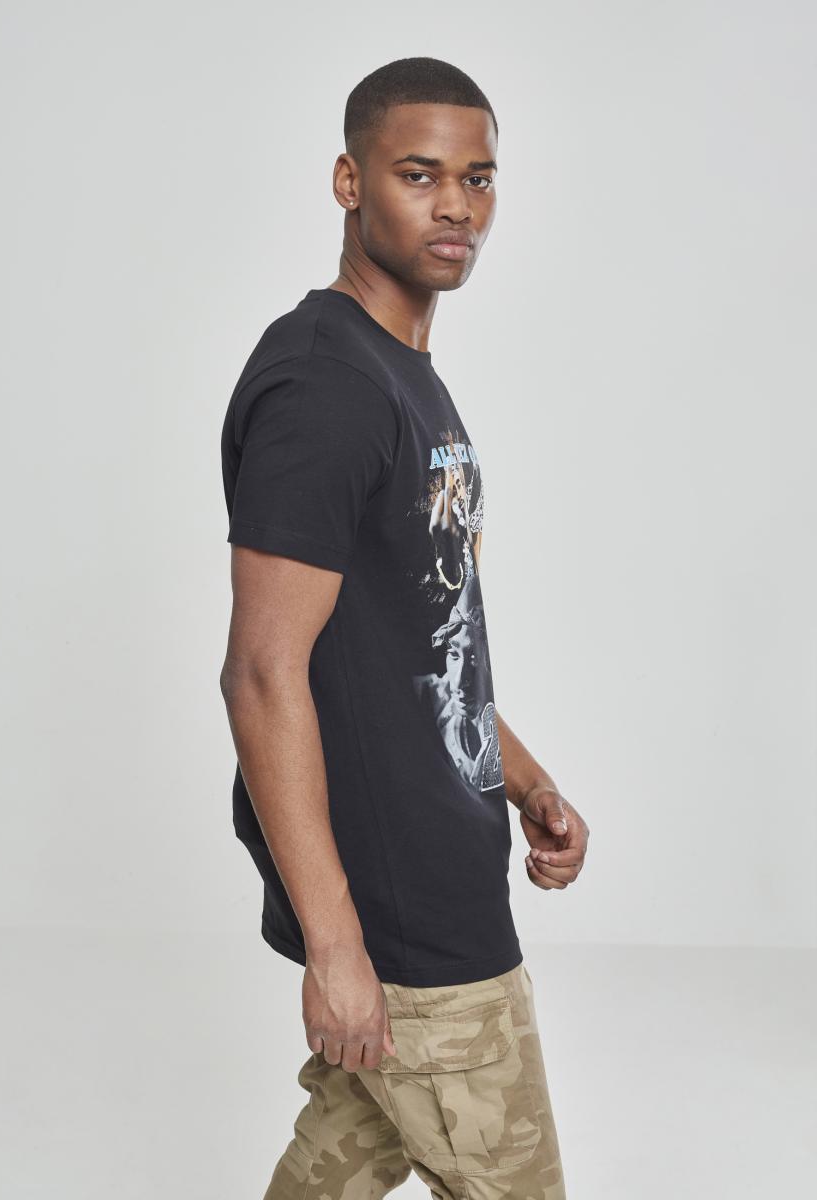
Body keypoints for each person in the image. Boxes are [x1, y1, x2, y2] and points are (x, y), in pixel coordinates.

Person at [219, 56, 590, 1200]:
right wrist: (337, 948)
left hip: (442, 867)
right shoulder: (326, 388)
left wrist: (525, 784)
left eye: (478, 179)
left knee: (330, 1174)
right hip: (404, 914)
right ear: (350, 182)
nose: (456, 206)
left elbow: (431, 642)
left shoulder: (405, 378)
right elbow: (262, 674)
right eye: (419, 175)